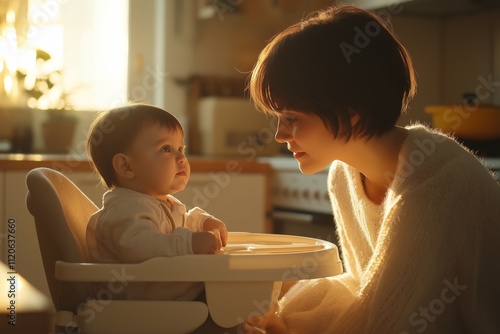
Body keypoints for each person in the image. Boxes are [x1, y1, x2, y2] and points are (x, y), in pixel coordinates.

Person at [245, 4, 500, 334]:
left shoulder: (435, 182)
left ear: (351, 112)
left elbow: (390, 319)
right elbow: (360, 285)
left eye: (292, 118)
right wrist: (277, 314)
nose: (279, 134)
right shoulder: (344, 174)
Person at [85, 103, 228, 302]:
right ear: (126, 166)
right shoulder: (124, 209)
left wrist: (200, 222)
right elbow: (141, 247)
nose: (181, 158)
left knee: (233, 291)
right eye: (166, 149)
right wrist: (189, 243)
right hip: (144, 307)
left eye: (181, 148)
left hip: (169, 296)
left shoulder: (156, 202)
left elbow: (172, 229)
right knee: (231, 299)